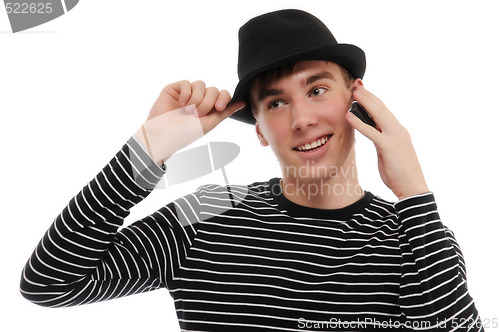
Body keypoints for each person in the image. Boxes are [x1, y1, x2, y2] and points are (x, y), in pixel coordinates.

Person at [20, 9, 483, 331]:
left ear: (356, 98)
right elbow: (49, 283)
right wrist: (146, 150)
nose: (301, 118)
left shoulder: (415, 235)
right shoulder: (208, 212)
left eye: (317, 90)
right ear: (260, 129)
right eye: (277, 102)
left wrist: (415, 193)